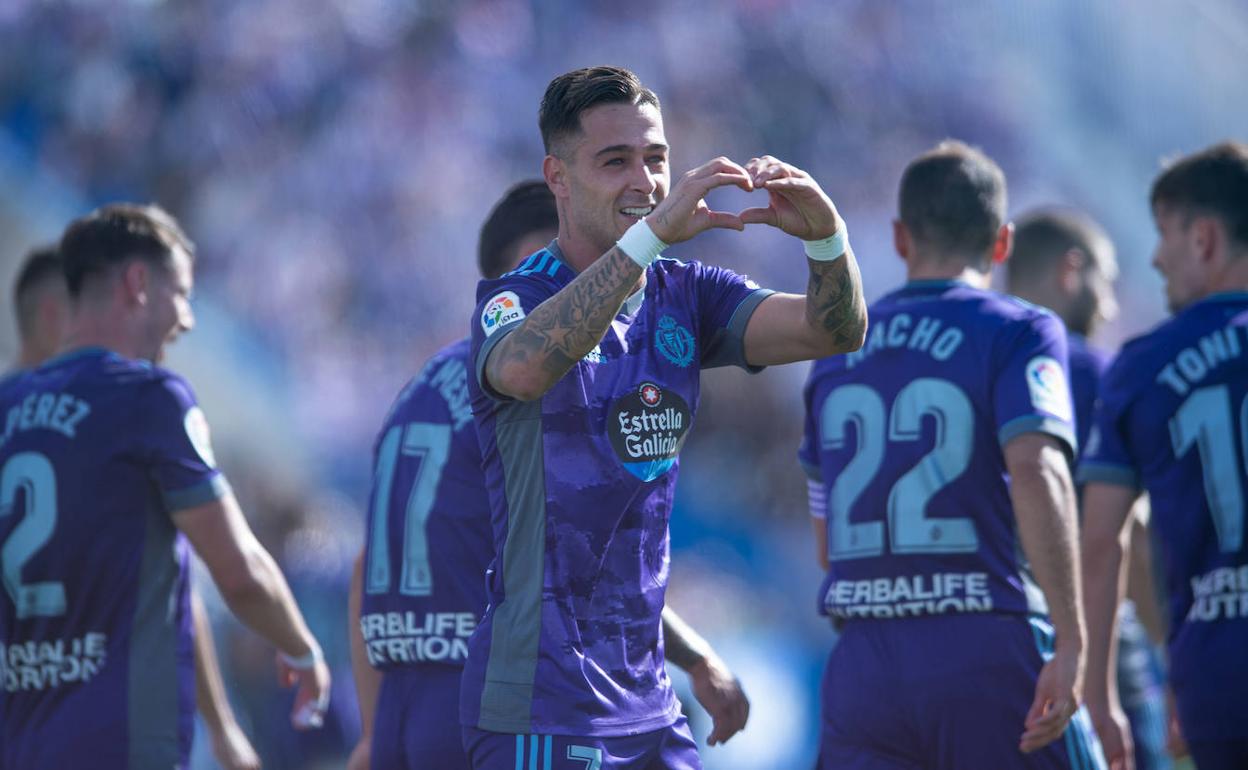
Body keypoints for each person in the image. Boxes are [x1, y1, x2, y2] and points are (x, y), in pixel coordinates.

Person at [463, 66, 866, 769]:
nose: (644, 181)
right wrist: (646, 241)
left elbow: (831, 331)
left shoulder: (686, 296)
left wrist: (827, 238)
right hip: (542, 702)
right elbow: (524, 368)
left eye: (655, 158)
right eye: (614, 161)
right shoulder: (513, 300)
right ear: (558, 177)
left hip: (650, 705)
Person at [348, 180, 750, 770]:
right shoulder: (530, 399)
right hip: (487, 700)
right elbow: (574, 560)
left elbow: (365, 568)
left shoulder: (420, 387)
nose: (585, 285)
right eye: (566, 265)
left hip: (401, 707)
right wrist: (695, 657)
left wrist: (373, 731)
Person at [799, 141, 1103, 769]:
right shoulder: (1021, 328)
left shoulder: (835, 349)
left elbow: (828, 543)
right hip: (983, 638)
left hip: (863, 660)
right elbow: (1038, 469)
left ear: (901, 237)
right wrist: (1073, 641)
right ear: (1002, 244)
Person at [0, 204, 329, 769]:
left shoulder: (7, 410)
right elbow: (240, 573)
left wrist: (221, 725)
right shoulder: (149, 398)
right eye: (182, 293)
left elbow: (169, 582)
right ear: (139, 284)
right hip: (120, 743)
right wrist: (302, 648)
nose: (188, 319)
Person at [1080, 141, 1248, 770]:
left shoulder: (1144, 366)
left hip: (1217, 669)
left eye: (1165, 232)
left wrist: (1098, 693)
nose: (1155, 256)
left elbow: (1104, 543)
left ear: (1203, 238)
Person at [1009, 210, 1172, 770]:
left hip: (979, 631)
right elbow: (1137, 536)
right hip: (1091, 644)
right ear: (1071, 272)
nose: (1109, 304)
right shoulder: (1097, 372)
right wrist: (1174, 654)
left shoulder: (970, 359)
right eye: (1106, 282)